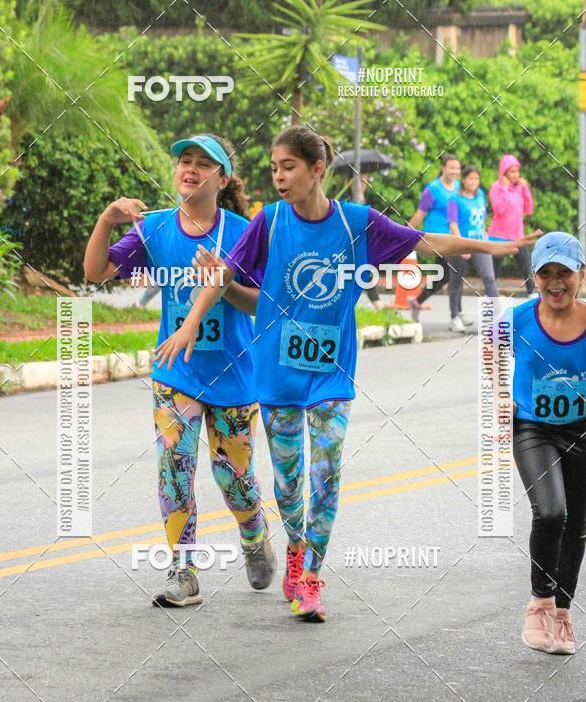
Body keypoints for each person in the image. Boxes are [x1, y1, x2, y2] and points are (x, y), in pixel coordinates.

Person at [155, 126, 539, 624]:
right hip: (276, 377)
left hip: (331, 375)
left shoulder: (356, 222)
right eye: (273, 168)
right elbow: (223, 276)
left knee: (327, 473)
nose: (278, 177)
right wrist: (188, 326)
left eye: (288, 167)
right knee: (289, 485)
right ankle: (294, 547)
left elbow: (424, 241)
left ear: (318, 170)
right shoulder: (268, 222)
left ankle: (312, 576)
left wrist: (493, 247)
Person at [83, 132, 276, 607]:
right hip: (175, 373)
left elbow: (262, 304)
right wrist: (108, 219)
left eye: (201, 163)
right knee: (175, 470)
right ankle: (183, 572)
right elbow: (95, 272)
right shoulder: (155, 229)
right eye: (183, 161)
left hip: (233, 374)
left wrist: (225, 287)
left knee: (234, 478)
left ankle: (253, 534)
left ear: (222, 178)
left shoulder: (244, 232)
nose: (189, 169)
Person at [508, 232, 586, 655]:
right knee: (552, 510)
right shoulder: (515, 320)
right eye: (546, 274)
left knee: (578, 525)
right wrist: (497, 408)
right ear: (533, 278)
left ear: (582, 276)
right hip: (533, 429)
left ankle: (562, 613)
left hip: (582, 429)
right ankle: (539, 604)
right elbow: (491, 361)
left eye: (565, 274)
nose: (556, 283)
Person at [407, 153, 464, 324]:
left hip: (455, 237)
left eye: (457, 168)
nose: (454, 171)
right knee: (456, 270)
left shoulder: (460, 187)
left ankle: (416, 302)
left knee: (445, 276)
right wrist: (404, 235)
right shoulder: (432, 190)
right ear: (443, 168)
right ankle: (457, 315)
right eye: (451, 168)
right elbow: (420, 215)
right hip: (437, 238)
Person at [446, 165, 499, 332]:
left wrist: (484, 233)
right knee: (456, 280)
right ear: (463, 180)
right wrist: (461, 246)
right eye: (471, 178)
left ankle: (498, 316)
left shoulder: (481, 196)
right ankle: (454, 316)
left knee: (489, 277)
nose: (474, 182)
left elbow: (481, 219)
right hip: (460, 244)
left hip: (480, 243)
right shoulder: (455, 200)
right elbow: (453, 224)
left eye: (476, 179)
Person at [488, 154, 536, 296]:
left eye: (517, 171)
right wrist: (504, 188)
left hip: (517, 236)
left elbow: (528, 210)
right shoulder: (496, 187)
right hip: (498, 236)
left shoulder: (520, 188)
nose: (516, 175)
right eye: (512, 171)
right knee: (493, 273)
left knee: (527, 267)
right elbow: (499, 209)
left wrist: (526, 189)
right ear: (504, 172)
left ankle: (532, 295)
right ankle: (489, 299)